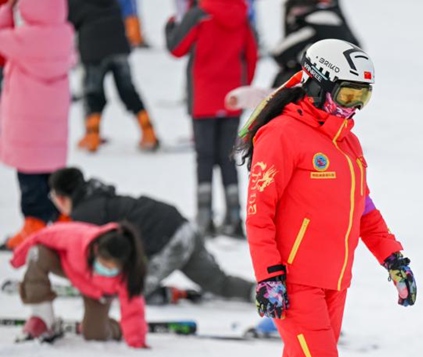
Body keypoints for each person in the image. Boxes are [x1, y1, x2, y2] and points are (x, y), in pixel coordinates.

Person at [237, 39, 416, 357]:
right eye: (347, 95)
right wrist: (270, 276)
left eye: (363, 98)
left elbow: (364, 210)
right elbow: (259, 214)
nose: (353, 108)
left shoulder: (346, 142)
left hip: (336, 279)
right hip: (294, 283)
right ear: (317, 86)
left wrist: (393, 259)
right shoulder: (279, 136)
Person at [48, 167, 256, 305]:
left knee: (132, 292)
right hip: (182, 227)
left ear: (61, 197)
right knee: (218, 282)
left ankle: (166, 294)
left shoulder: (84, 214)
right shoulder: (96, 194)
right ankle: (260, 293)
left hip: (169, 242)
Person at [165, 0, 258, 238]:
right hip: (232, 97)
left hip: (203, 96)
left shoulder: (198, 14)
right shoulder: (242, 14)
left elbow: (177, 48)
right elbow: (252, 54)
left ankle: (205, 218)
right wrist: (243, 87)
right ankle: (234, 216)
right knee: (229, 157)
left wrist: (170, 27)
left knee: (204, 157)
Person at [0, 0, 73, 251]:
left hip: (27, 122)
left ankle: (34, 223)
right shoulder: (64, 33)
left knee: (29, 176)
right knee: (52, 175)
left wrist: (7, 9)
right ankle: (63, 217)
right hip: (54, 122)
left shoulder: (24, 39)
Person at [9, 221, 149, 348]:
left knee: (95, 335)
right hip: (70, 268)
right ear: (95, 249)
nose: (104, 268)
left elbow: (133, 309)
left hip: (97, 294)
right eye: (102, 263)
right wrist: (17, 258)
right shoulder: (78, 239)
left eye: (111, 268)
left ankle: (116, 328)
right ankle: (43, 319)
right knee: (37, 253)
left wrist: (136, 338)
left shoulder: (129, 276)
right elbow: (42, 235)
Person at [68, 0, 159, 153]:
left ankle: (92, 136)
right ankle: (149, 132)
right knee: (128, 91)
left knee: (93, 93)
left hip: (93, 50)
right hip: (119, 46)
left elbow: (69, 20)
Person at [271, 0, 360, 88]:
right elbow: (357, 46)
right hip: (344, 86)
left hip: (313, 85)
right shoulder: (335, 18)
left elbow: (280, 53)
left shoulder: (311, 23)